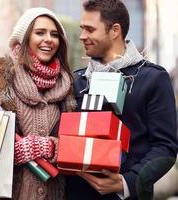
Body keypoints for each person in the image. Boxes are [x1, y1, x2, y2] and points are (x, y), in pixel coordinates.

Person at [67, 0, 178, 199]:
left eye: (90, 29)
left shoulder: (153, 78)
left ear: (115, 30)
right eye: (82, 28)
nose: (82, 36)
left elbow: (165, 148)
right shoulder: (76, 80)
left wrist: (126, 182)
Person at [0, 7, 75, 200]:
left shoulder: (68, 87)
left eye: (54, 34)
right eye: (39, 32)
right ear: (24, 38)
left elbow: (77, 146)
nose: (48, 39)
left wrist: (50, 147)